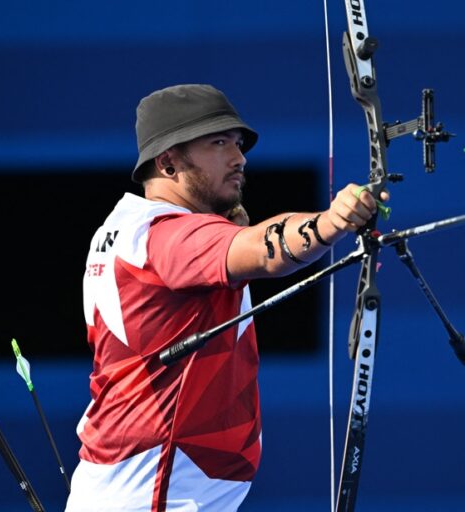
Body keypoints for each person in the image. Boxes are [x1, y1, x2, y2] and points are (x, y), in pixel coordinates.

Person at [65, 84, 384, 511]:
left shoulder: (125, 229)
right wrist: (330, 223)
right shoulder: (166, 235)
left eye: (237, 144)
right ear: (168, 162)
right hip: (155, 494)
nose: (239, 158)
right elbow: (263, 251)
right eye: (218, 144)